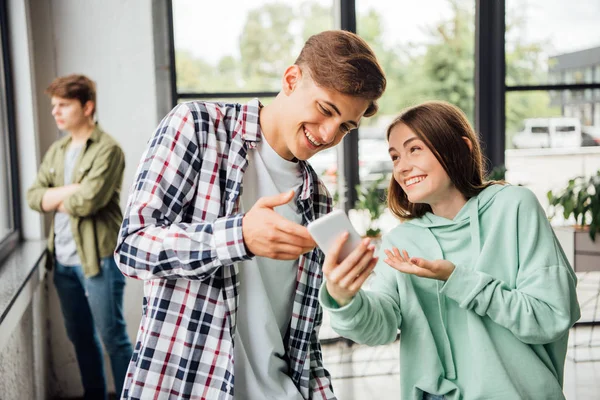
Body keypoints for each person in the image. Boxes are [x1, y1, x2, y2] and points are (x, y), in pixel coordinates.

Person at [114, 30, 386, 399]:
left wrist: (341, 293)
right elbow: (132, 248)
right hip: (186, 387)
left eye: (345, 127)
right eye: (325, 110)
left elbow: (303, 345)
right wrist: (238, 236)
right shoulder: (198, 126)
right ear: (291, 80)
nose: (327, 135)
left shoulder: (317, 200)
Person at [319, 101, 581, 400]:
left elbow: (551, 317)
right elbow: (380, 328)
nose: (402, 167)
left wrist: (458, 279)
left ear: (462, 147)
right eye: (394, 157)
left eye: (414, 149)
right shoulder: (401, 241)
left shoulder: (514, 207)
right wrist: (344, 298)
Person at [27, 74, 133, 399]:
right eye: (53, 106)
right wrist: (71, 190)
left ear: (87, 107)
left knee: (113, 338)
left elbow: (87, 202)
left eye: (63, 105)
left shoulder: (109, 149)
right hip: (62, 262)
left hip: (98, 259)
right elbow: (33, 197)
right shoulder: (57, 150)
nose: (55, 112)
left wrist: (56, 196)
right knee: (80, 338)